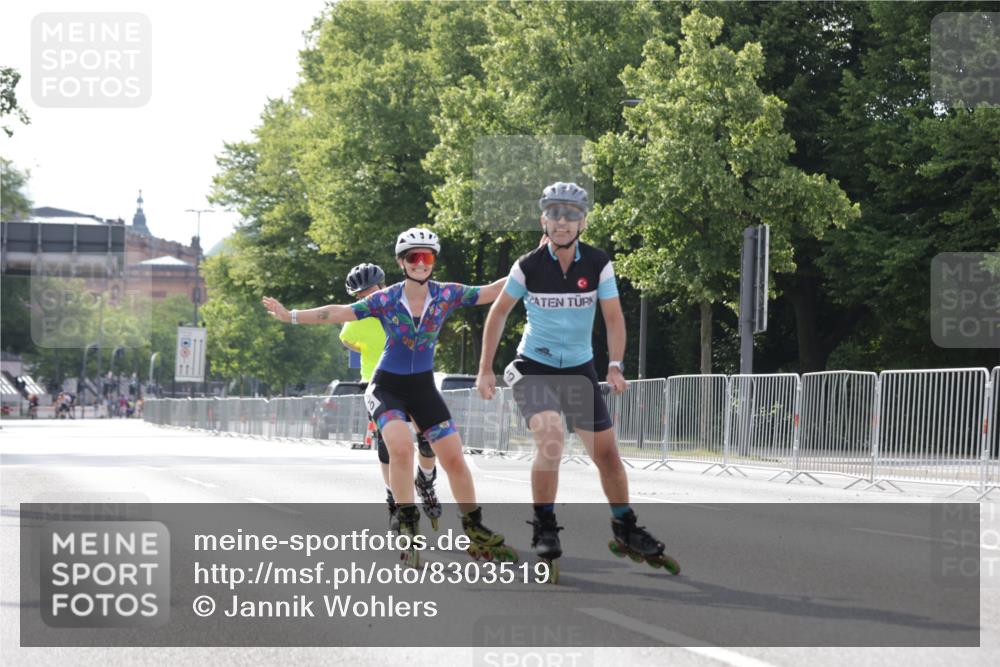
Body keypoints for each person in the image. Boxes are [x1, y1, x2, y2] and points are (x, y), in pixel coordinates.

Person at [263, 228, 514, 565]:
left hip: (423, 388)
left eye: (428, 257)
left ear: (433, 261)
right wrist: (290, 315)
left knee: (454, 457)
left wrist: (537, 262)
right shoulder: (385, 298)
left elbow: (493, 291)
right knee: (400, 447)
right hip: (386, 387)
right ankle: (408, 522)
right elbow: (337, 312)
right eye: (414, 257)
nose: (421, 263)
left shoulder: (446, 295)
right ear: (401, 262)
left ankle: (475, 528)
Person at [476, 182, 679, 581]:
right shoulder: (528, 265)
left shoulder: (598, 263)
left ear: (583, 221)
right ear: (544, 220)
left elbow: (614, 317)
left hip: (580, 370)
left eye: (571, 214)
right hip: (534, 368)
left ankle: (624, 527)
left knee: (607, 455)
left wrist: (615, 364)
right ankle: (545, 525)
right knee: (551, 438)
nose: (562, 221)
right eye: (555, 213)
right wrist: (486, 368)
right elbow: (498, 313)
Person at [339, 262, 442, 530]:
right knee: (388, 446)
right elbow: (346, 339)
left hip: (411, 379)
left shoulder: (401, 305)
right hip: (376, 384)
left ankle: (426, 480)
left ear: (383, 287)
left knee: (428, 438)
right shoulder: (355, 318)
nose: (367, 297)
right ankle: (393, 498)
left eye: (371, 290)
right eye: (361, 294)